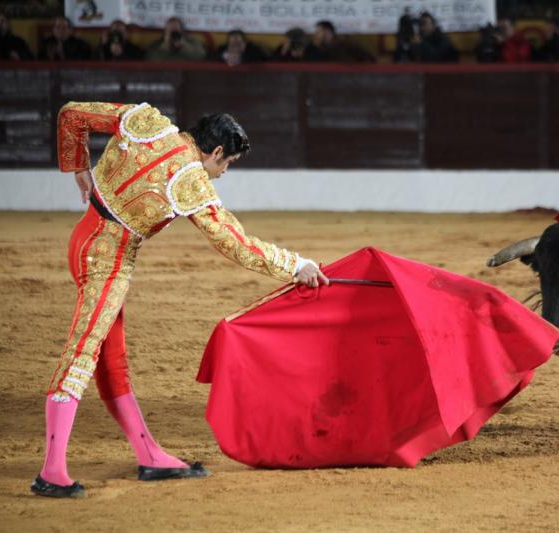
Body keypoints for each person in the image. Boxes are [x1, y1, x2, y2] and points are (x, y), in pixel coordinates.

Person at [31, 102, 328, 498]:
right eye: (228, 164)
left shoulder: (146, 122)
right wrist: (296, 265)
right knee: (83, 354)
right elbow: (235, 244)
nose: (223, 174)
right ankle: (51, 471)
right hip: (108, 259)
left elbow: (71, 114)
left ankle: (149, 454)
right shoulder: (190, 182)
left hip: (84, 237)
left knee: (110, 360)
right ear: (216, 152)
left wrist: (79, 168)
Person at [307, 20, 375, 63]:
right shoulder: (316, 48)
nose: (316, 34)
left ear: (328, 32)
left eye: (319, 32)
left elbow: (369, 58)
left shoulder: (346, 45)